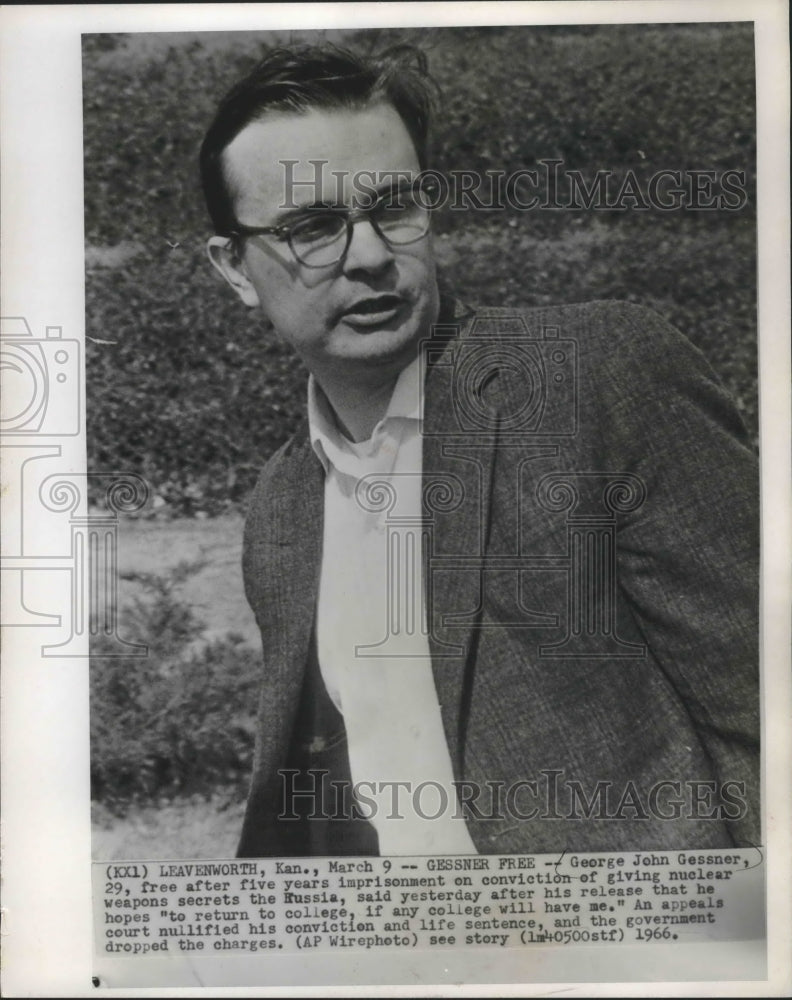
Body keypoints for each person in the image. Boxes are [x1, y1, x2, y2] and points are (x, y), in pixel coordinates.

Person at [200, 43, 759, 857]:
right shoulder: (282, 506)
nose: (368, 255)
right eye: (311, 227)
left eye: (395, 206)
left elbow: (765, 712)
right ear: (234, 269)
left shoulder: (599, 375)